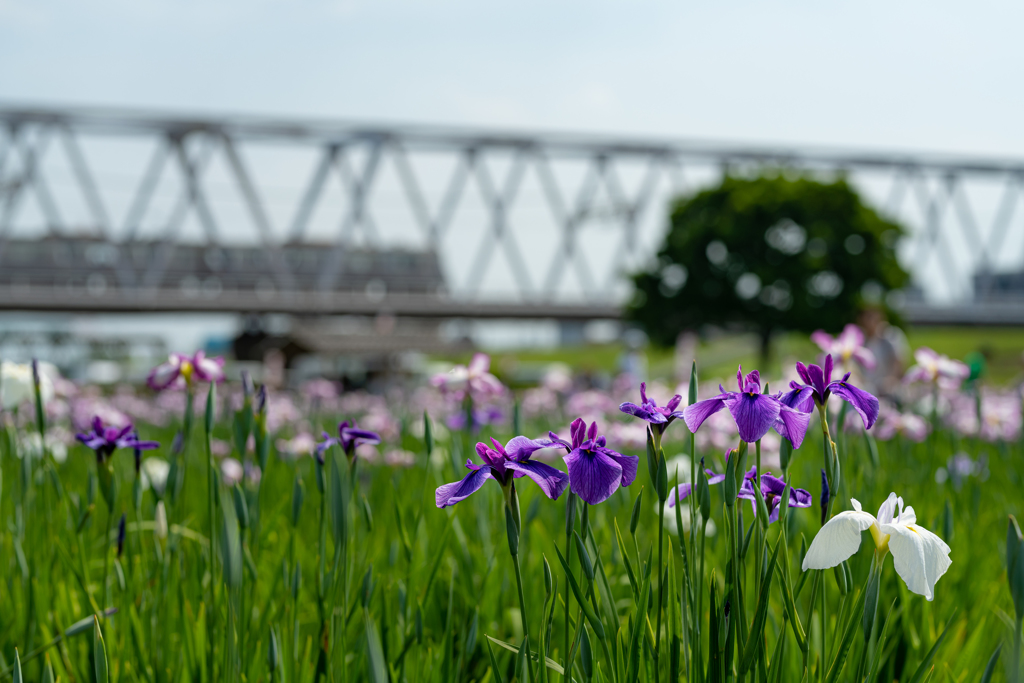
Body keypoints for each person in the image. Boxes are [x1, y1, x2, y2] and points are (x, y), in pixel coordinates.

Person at [858, 307, 909, 401]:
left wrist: (891, 380)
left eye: (871, 317)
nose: (868, 322)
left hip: (888, 387)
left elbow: (899, 361)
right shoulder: (862, 340)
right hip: (868, 388)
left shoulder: (890, 336)